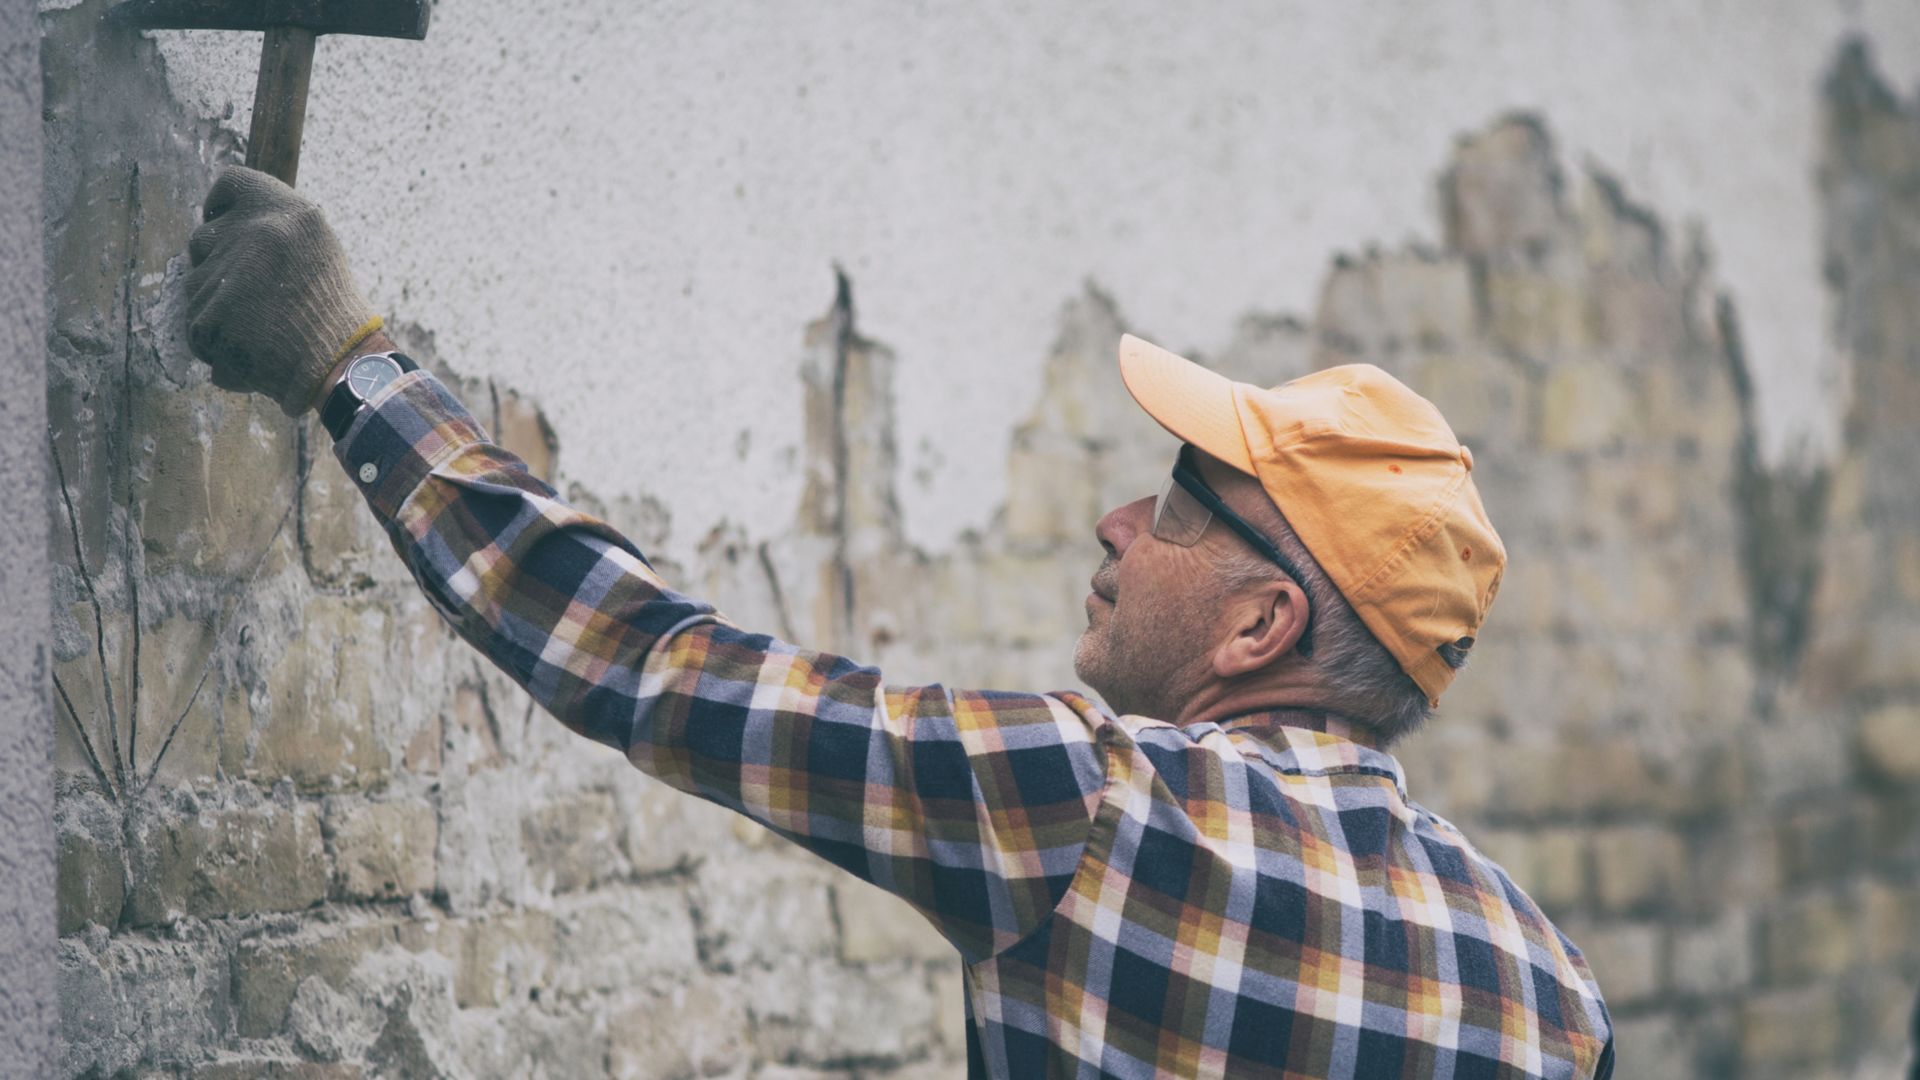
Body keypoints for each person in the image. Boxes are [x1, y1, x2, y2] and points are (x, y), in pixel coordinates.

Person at [183, 166, 1613, 1079]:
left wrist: (340, 361)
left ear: (1260, 625)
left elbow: (653, 663)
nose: (1119, 523)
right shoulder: (1554, 993)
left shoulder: (1097, 812)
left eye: (1177, 502)